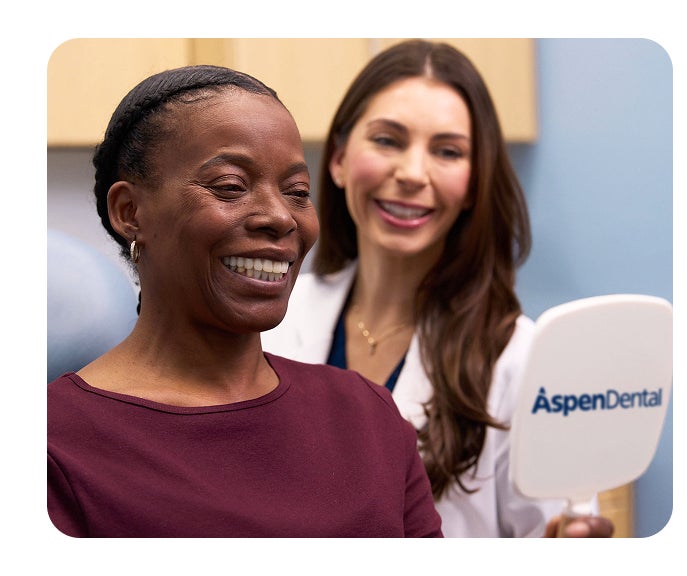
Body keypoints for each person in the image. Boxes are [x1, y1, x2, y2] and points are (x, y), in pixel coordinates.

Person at [46, 64, 443, 538]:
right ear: (130, 213)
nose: (280, 217)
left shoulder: (368, 416)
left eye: (298, 192)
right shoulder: (51, 447)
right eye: (231, 187)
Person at [262, 40, 614, 538]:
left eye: (447, 151)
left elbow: (550, 535)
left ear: (473, 183)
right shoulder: (270, 315)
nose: (411, 173)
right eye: (388, 140)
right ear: (339, 159)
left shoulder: (521, 358)